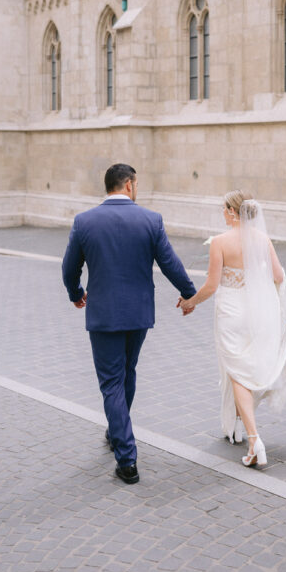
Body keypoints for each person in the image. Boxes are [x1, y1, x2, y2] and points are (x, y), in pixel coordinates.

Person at [62, 163, 196, 485]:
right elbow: (170, 263)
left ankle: (127, 460)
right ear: (130, 185)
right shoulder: (151, 220)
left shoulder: (84, 221)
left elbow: (69, 268)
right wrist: (189, 292)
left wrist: (76, 293)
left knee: (111, 382)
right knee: (127, 372)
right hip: (137, 315)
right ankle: (116, 429)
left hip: (103, 314)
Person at [179, 190, 286, 467]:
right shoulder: (262, 239)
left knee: (237, 372)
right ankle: (244, 431)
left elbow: (211, 286)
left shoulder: (220, 242)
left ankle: (253, 438)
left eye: (224, 209)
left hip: (231, 313)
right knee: (245, 370)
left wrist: (191, 302)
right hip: (257, 313)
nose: (222, 214)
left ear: (234, 212)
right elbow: (278, 276)